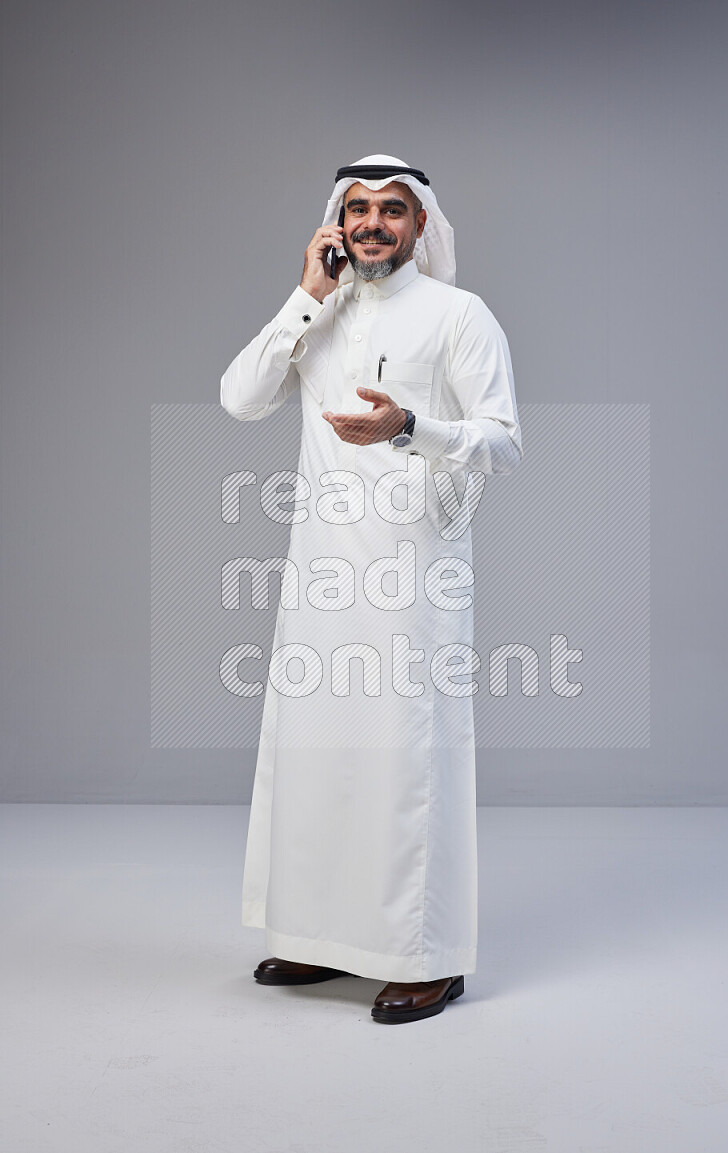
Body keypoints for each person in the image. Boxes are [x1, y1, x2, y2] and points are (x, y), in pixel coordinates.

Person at [220, 154, 523, 1024]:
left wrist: (408, 427)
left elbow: (504, 441)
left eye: (393, 210)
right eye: (358, 210)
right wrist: (305, 295)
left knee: (405, 764)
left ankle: (427, 958)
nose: (373, 225)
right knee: (320, 755)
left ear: (422, 225)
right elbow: (241, 398)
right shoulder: (321, 310)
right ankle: (322, 938)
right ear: (337, 223)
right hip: (321, 574)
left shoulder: (460, 315)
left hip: (413, 576)